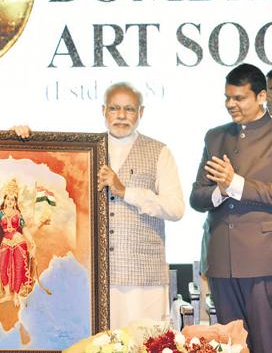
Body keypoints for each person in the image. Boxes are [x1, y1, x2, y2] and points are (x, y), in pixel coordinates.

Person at [190, 63, 272, 352]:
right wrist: (220, 192)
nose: (230, 104)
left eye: (239, 98)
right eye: (227, 97)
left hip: (263, 259)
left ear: (261, 97)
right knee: (230, 346)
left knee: (265, 342)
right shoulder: (215, 136)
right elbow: (196, 197)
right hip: (221, 261)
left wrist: (236, 184)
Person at [96, 82, 184, 329]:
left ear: (141, 112)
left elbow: (175, 208)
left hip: (144, 275)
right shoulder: (86, 149)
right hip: (97, 275)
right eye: (114, 108)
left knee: (145, 343)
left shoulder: (159, 151)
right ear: (103, 111)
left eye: (129, 109)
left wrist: (126, 192)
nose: (121, 116)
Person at [0, 179, 35, 307]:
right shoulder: (0, 214)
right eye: (8, 199)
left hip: (19, 242)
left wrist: (32, 241)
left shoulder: (18, 214)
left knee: (18, 268)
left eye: (13, 199)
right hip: (6, 242)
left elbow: (24, 229)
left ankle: (16, 295)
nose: (10, 202)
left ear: (16, 202)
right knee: (2, 267)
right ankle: (8, 294)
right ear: (4, 200)